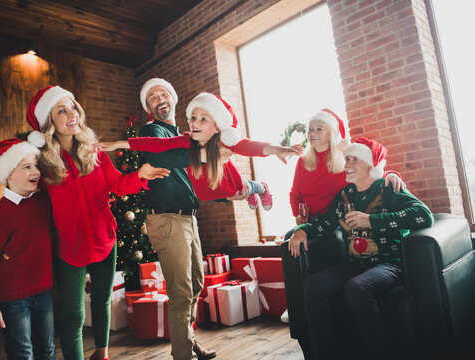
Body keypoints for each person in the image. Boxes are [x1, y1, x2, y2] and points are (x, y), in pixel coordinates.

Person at [26, 85, 169, 360]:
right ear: (50, 122)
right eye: (62, 110)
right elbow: (34, 209)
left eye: (73, 107)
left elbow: (117, 184)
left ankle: (101, 354)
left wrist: (141, 174)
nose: (72, 114)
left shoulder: (95, 153)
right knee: (73, 315)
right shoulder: (43, 165)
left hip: (105, 238)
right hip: (68, 245)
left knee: (102, 300)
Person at [288, 137, 434, 360]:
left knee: (357, 287)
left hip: (390, 264)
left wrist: (372, 221)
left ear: (371, 165)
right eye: (347, 159)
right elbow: (327, 222)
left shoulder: (388, 188)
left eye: (355, 159)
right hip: (356, 264)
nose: (348, 163)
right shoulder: (345, 196)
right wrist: (303, 229)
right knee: (313, 285)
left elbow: (424, 216)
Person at [129, 78, 216, 360]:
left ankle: (188, 342)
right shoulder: (152, 131)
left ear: (173, 98)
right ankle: (182, 355)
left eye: (163, 93)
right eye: (152, 97)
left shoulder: (180, 134)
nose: (159, 98)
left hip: (188, 218)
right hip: (167, 220)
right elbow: (168, 157)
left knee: (196, 284)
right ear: (148, 108)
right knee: (181, 293)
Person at [97, 92, 301, 210]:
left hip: (227, 183)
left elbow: (250, 146)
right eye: (193, 117)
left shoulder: (224, 141)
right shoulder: (187, 140)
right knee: (227, 195)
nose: (194, 123)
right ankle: (250, 191)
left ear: (217, 125)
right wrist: (119, 144)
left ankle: (261, 188)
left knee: (241, 189)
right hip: (207, 190)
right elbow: (155, 144)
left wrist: (277, 149)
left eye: (203, 119)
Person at [0, 138, 56, 360]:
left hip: (44, 293)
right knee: (22, 353)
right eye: (27, 167)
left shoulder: (43, 201)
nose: (35, 171)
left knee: (47, 350)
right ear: (9, 175)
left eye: (36, 165)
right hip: (13, 300)